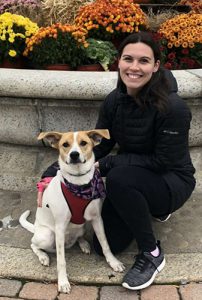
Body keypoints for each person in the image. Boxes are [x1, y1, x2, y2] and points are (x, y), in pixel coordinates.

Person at [37, 31, 196, 290]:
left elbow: (163, 162)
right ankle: (145, 206)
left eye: (144, 61)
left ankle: (152, 253)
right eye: (128, 59)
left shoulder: (174, 108)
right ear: (118, 62)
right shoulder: (113, 101)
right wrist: (50, 174)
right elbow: (98, 148)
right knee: (103, 247)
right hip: (136, 176)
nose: (134, 67)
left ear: (156, 66)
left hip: (172, 181)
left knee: (119, 178)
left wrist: (111, 164)